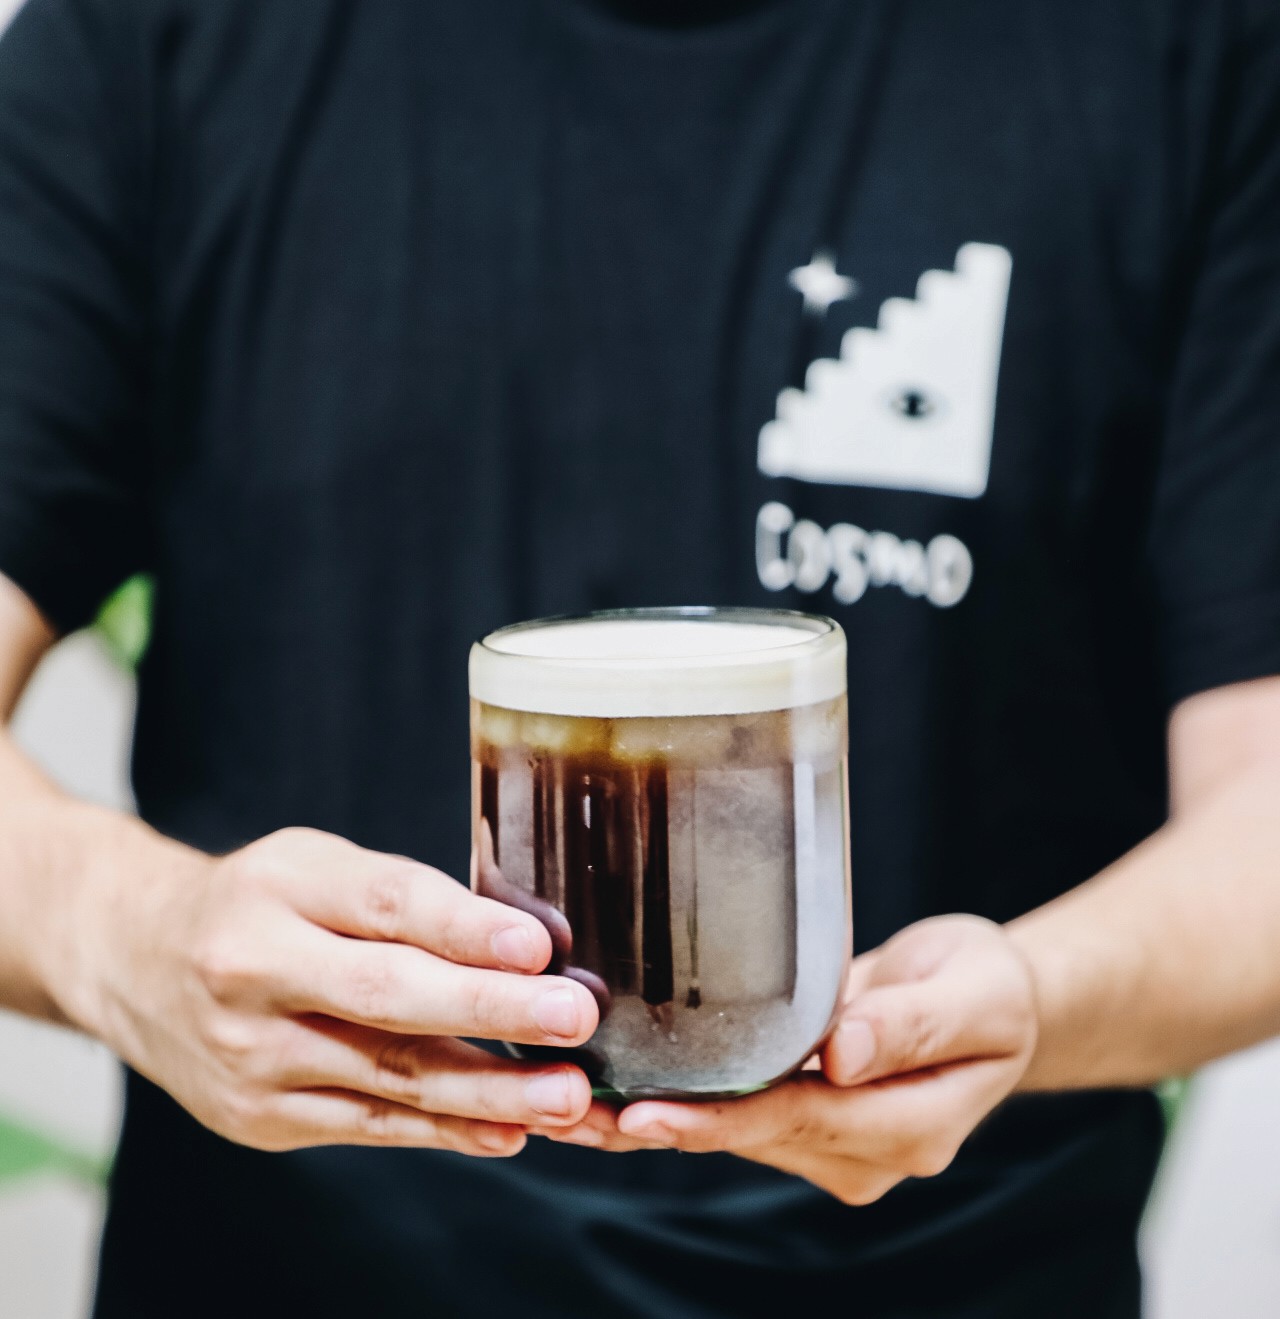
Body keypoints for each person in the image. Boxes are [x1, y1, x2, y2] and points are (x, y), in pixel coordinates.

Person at [0, 0, 1278, 1314]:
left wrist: (1034, 1000)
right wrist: (125, 931)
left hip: (961, 1271)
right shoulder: (155, 35)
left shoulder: (1185, 48)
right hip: (288, 1269)